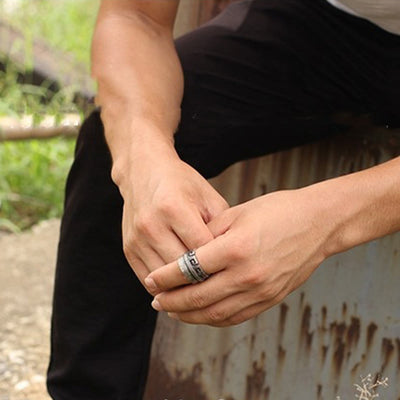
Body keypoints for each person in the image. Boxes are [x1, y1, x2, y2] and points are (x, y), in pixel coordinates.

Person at [46, 0, 400, 399]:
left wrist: (328, 220)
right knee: (112, 143)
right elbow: (135, 17)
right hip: (326, 21)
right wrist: (142, 161)